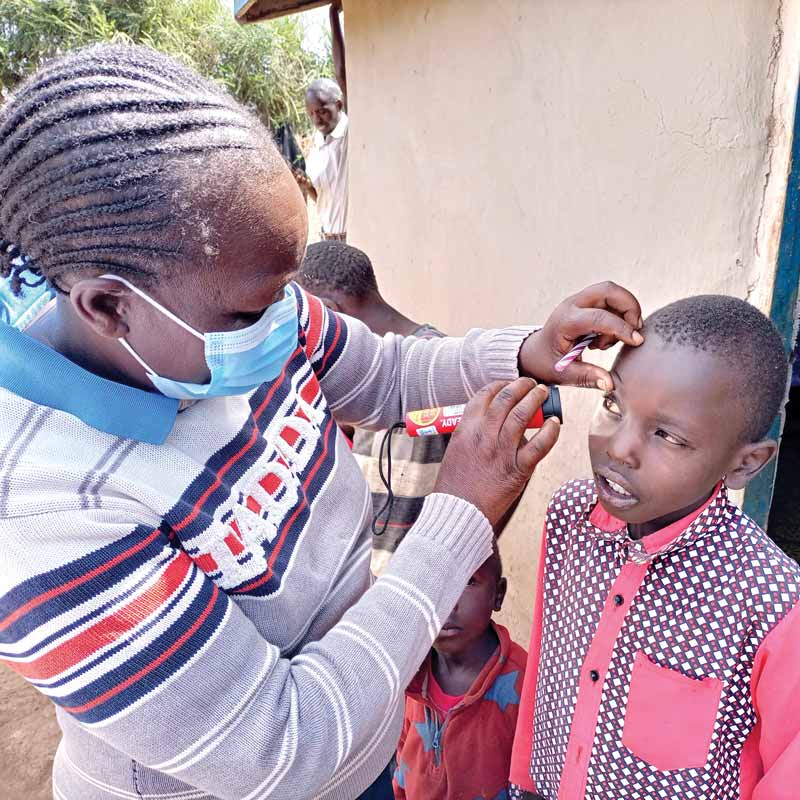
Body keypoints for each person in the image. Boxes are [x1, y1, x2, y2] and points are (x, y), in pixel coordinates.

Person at [0, 44, 643, 800]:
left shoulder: (228, 309)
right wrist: (461, 514)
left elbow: (383, 373)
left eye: (287, 288)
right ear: (110, 308)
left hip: (361, 737)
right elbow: (283, 749)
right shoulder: (42, 514)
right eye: (253, 309)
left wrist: (528, 352)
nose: (288, 318)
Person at [508, 295, 800, 800]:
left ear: (745, 465)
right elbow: (545, 672)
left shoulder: (771, 602)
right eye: (614, 405)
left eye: (666, 434)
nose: (619, 447)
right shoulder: (572, 516)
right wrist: (528, 779)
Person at [298, 241, 447, 573]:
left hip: (421, 582)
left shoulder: (437, 369)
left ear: (328, 311)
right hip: (372, 584)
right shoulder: (356, 376)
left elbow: (509, 458)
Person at [393, 542, 526, 800]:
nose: (448, 602)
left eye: (468, 582)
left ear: (498, 594)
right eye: (430, 583)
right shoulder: (408, 673)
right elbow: (402, 758)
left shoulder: (527, 684)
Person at [295, 2, 349, 241]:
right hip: (328, 238)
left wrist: (333, 16)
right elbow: (324, 197)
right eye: (312, 113)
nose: (317, 118)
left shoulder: (350, 134)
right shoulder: (316, 146)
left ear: (338, 104)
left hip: (353, 238)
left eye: (323, 111)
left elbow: (343, 72)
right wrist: (308, 187)